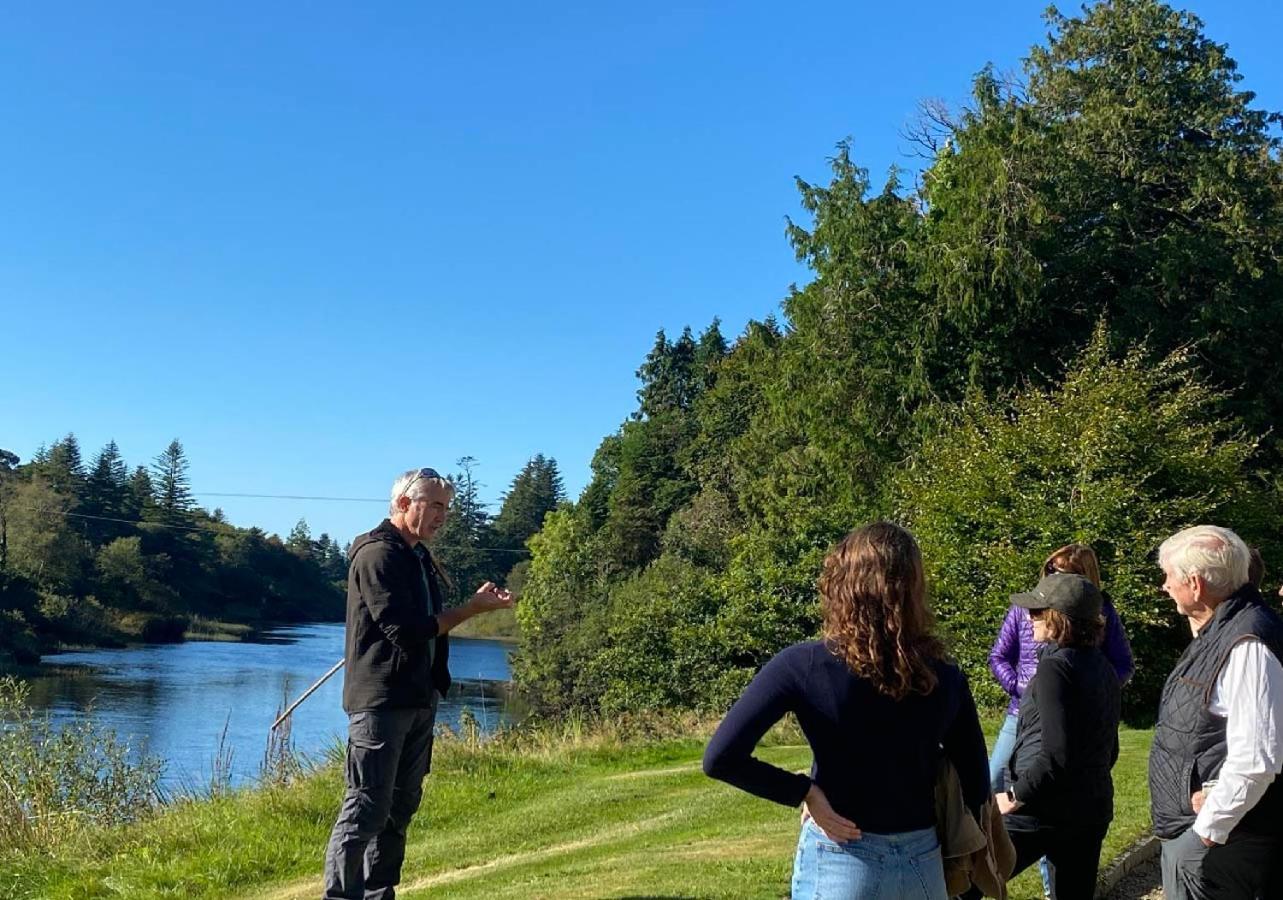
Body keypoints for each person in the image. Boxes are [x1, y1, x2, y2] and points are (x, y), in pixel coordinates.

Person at [703, 522, 989, 900]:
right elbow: (976, 781)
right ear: (914, 588)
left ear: (841, 585)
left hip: (841, 856)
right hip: (922, 863)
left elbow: (720, 757)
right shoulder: (943, 674)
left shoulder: (802, 665)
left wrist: (805, 792)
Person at [322, 467, 514, 900]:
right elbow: (405, 631)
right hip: (381, 701)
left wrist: (473, 605)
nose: (443, 516)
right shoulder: (377, 555)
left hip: (418, 697)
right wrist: (471, 610)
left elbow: (427, 625)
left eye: (447, 507)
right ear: (405, 503)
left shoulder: (417, 555)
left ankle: (379, 893)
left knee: (400, 807)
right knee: (366, 807)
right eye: (436, 506)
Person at [986, 543, 1132, 897]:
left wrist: (1014, 796)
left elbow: (1055, 754)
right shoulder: (1102, 669)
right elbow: (1108, 749)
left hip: (1041, 812)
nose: (1030, 617)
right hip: (1090, 810)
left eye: (1037, 611)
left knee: (972, 880)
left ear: (1056, 617)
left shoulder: (1054, 668)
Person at [1148, 525, 1283, 900]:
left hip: (1221, 843)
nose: (1164, 585)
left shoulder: (1247, 642)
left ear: (1195, 584)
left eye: (1169, 576)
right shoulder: (1224, 629)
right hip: (1214, 837)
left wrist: (1205, 832)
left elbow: (1256, 759)